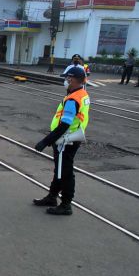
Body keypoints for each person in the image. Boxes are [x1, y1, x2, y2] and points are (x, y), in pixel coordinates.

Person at [33, 66, 90, 216]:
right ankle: (52, 197)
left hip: (66, 140)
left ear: (72, 79)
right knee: (60, 169)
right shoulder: (82, 94)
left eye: (67, 78)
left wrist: (45, 141)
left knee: (66, 172)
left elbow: (65, 124)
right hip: (70, 138)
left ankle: (66, 205)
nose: (65, 80)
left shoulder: (73, 99)